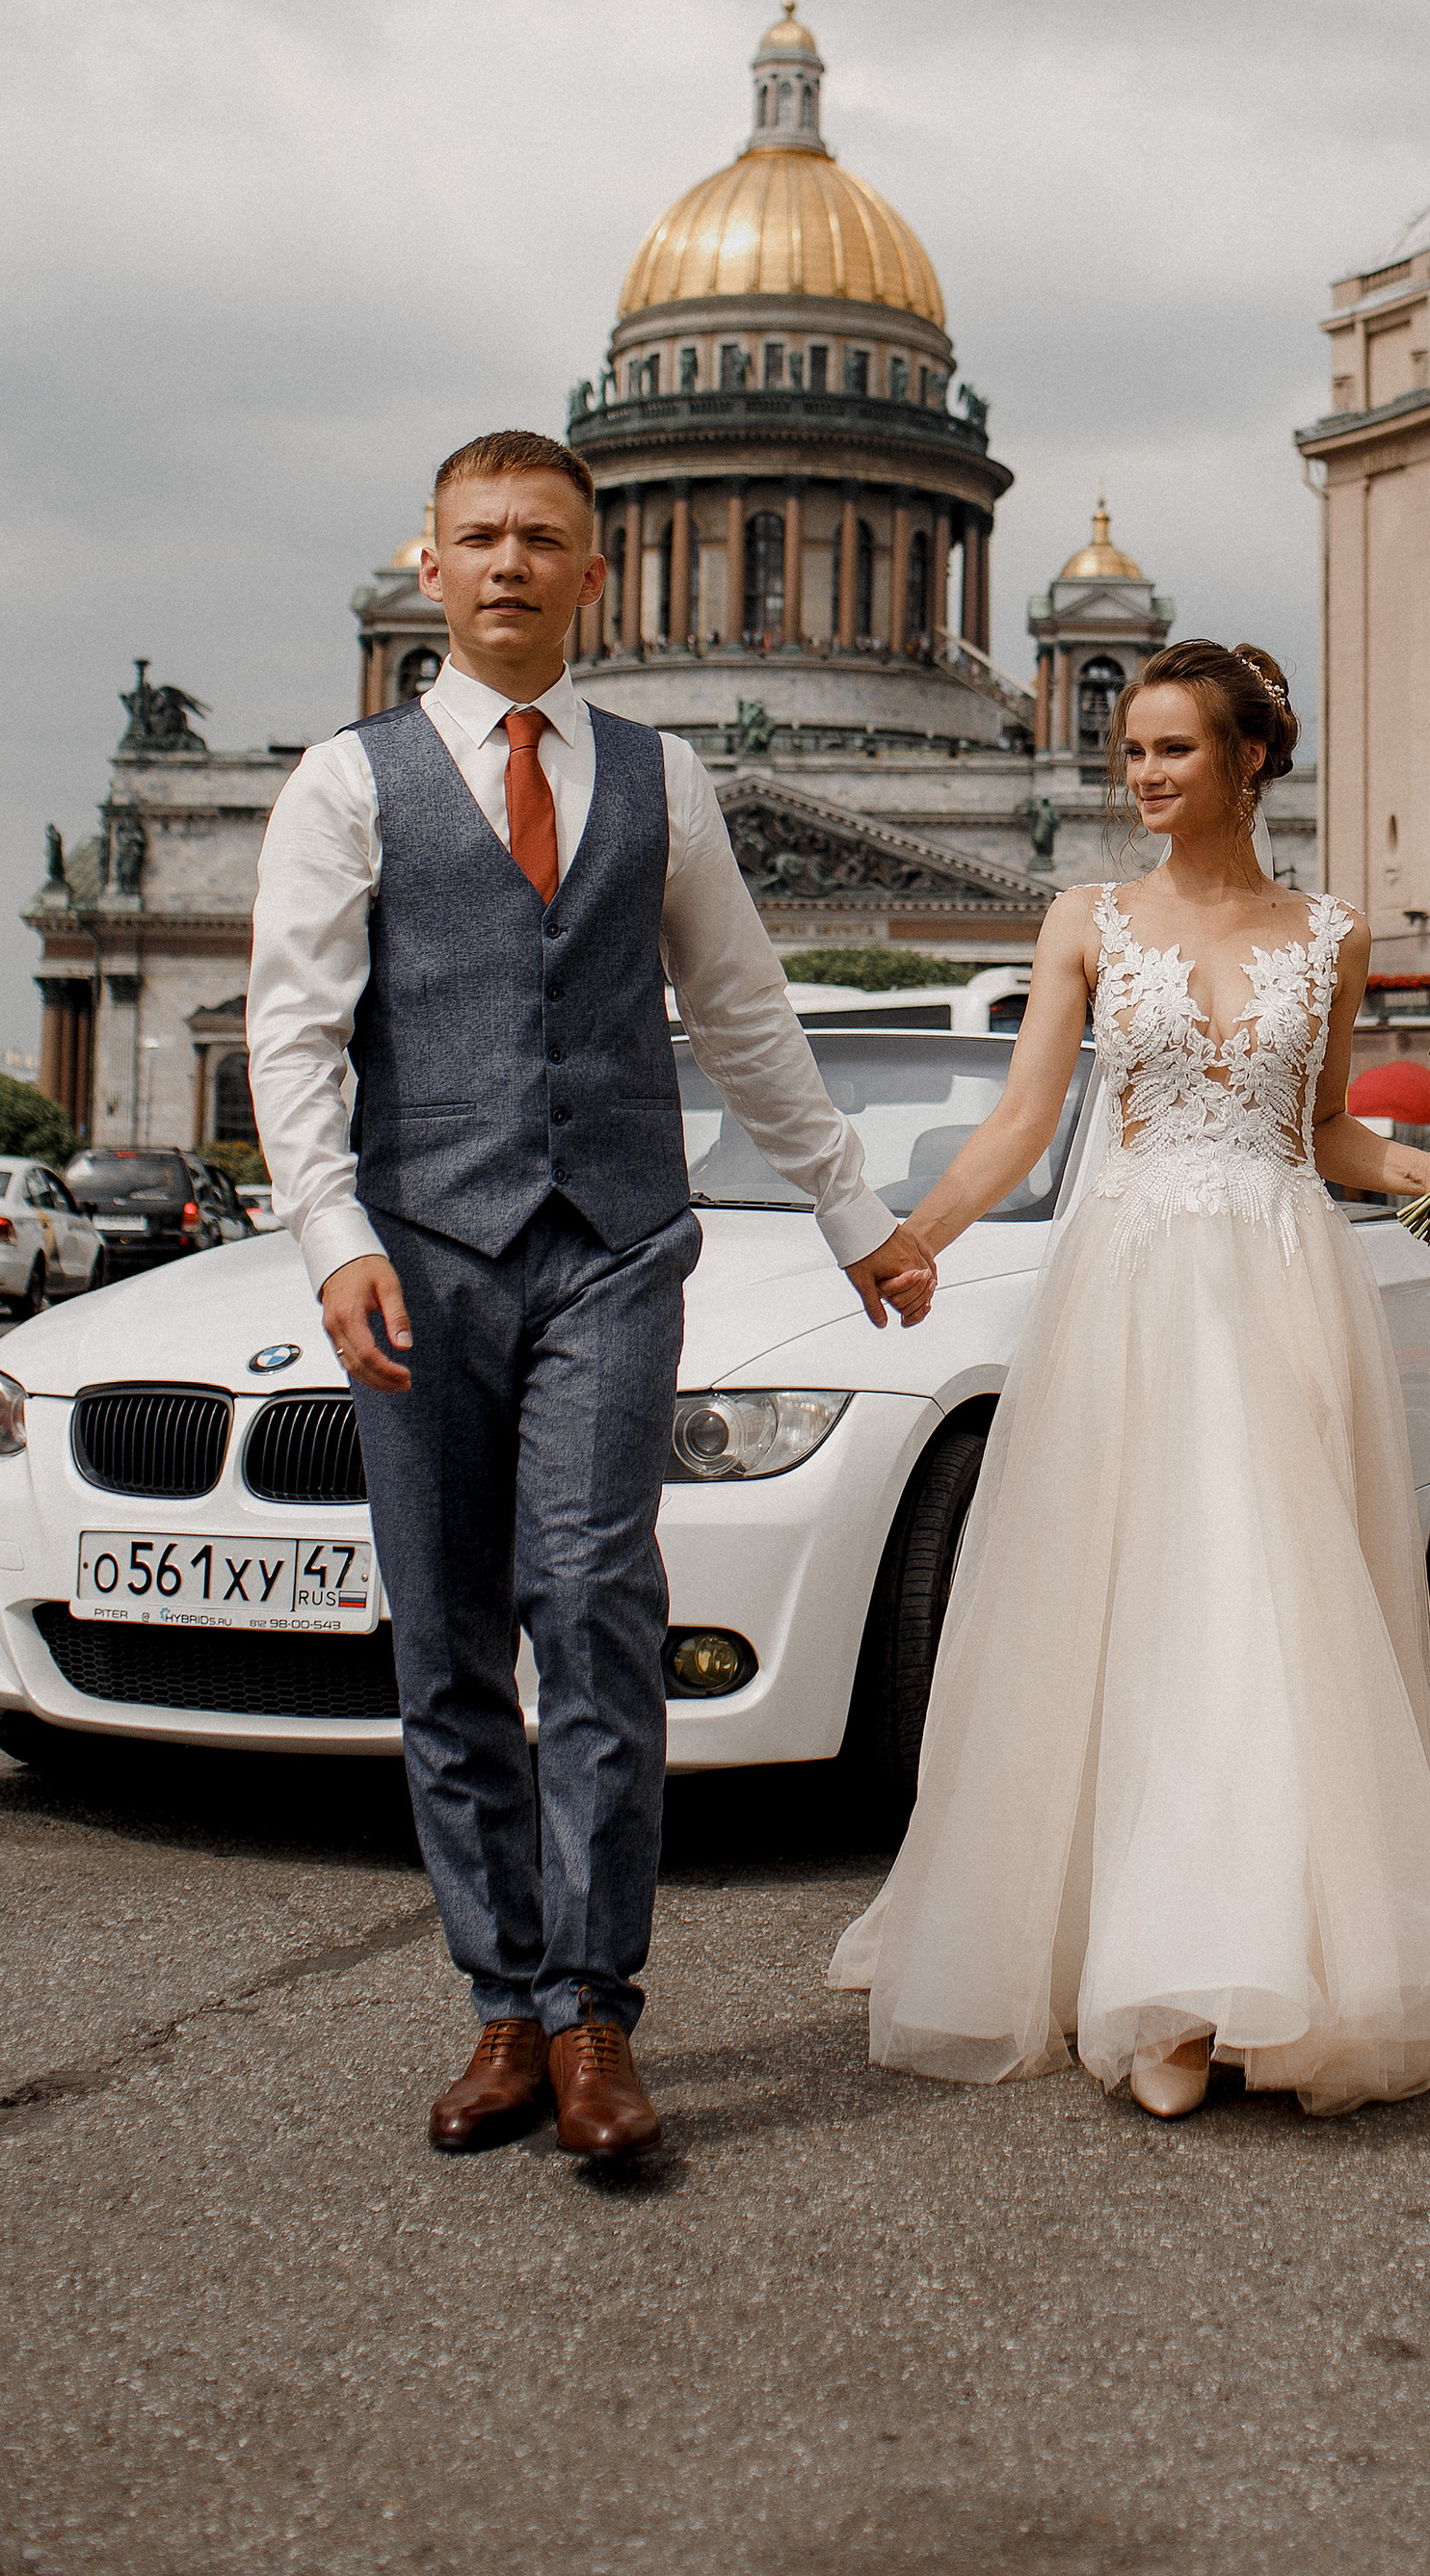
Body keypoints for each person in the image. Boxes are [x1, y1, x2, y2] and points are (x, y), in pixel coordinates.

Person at [249, 430, 934, 2162]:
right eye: (479, 537)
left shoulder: (663, 778)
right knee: (445, 1634)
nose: (509, 564)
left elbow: (745, 1013)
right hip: (420, 1259)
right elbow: (295, 1031)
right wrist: (332, 1235)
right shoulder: (344, 782)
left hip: (616, 1248)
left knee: (595, 1604)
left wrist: (856, 1215)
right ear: (431, 567)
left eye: (541, 539)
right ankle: (503, 1999)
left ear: (593, 573)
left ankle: (595, 2014)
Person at [830, 639, 1430, 2117]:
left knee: (1270, 1609)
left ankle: (1255, 1960)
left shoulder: (1334, 935)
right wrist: (912, 1239)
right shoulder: (1087, 920)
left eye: (1173, 748)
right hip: (1135, 1290)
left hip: (1285, 1284)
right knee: (1148, 1606)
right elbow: (1023, 1121)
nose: (1144, 775)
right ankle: (1161, 1985)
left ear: (1250, 760)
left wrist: (1425, 1170)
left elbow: (1323, 1127)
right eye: (1132, 750)